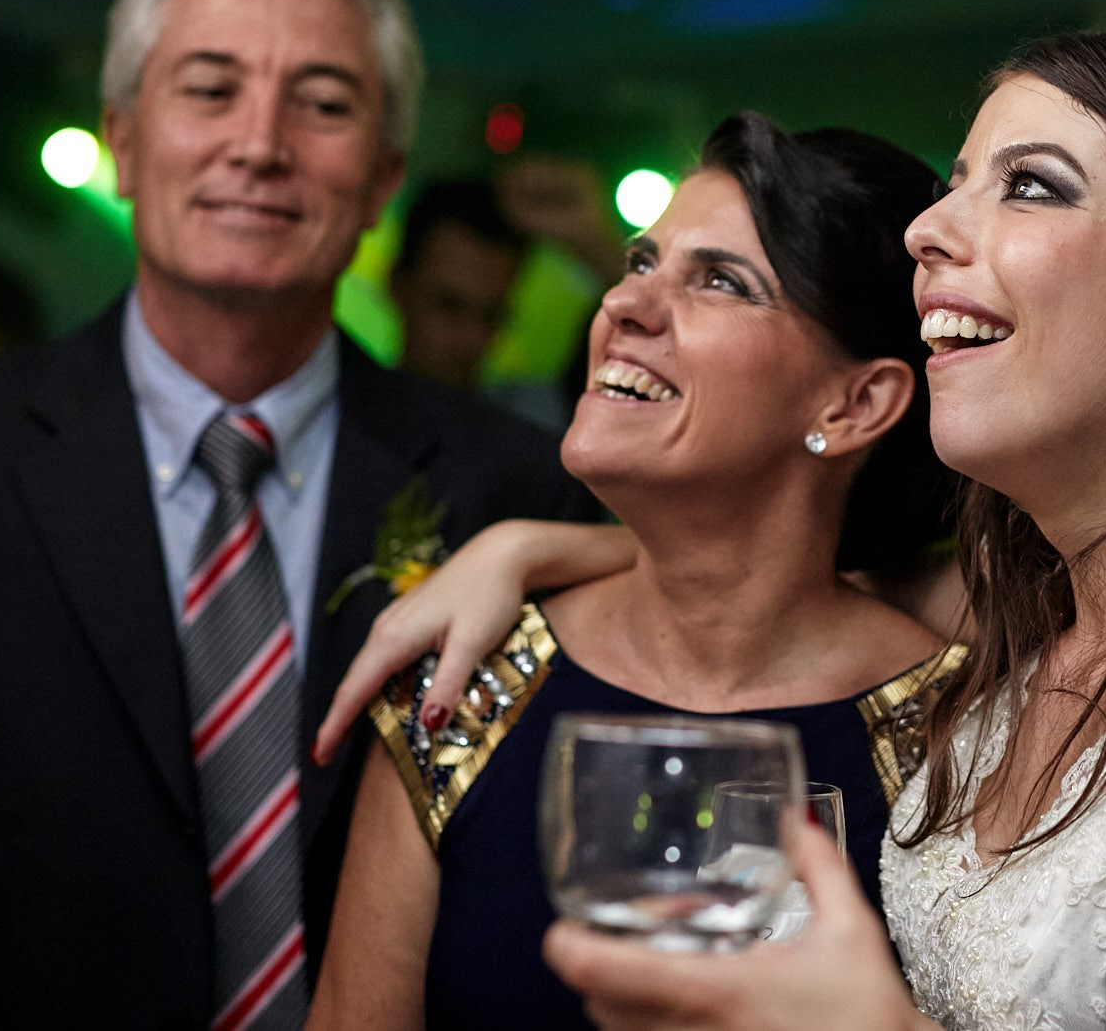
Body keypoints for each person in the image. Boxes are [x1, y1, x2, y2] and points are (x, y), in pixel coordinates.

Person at [320, 34, 1106, 1029]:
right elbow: (750, 585)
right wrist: (531, 549)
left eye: (1030, 186)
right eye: (955, 184)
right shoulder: (1014, 644)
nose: (928, 229)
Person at [0, 0, 592, 1031]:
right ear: (122, 141)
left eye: (321, 104)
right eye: (209, 89)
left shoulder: (517, 494)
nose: (260, 145)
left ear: (382, 178)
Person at [307, 112, 965, 1030]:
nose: (624, 303)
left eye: (721, 281)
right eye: (640, 262)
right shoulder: (470, 682)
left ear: (855, 404)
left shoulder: (958, 731)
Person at [390, 177, 529, 393]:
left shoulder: (531, 407)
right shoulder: (344, 400)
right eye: (450, 306)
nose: (473, 340)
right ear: (397, 285)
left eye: (492, 316)